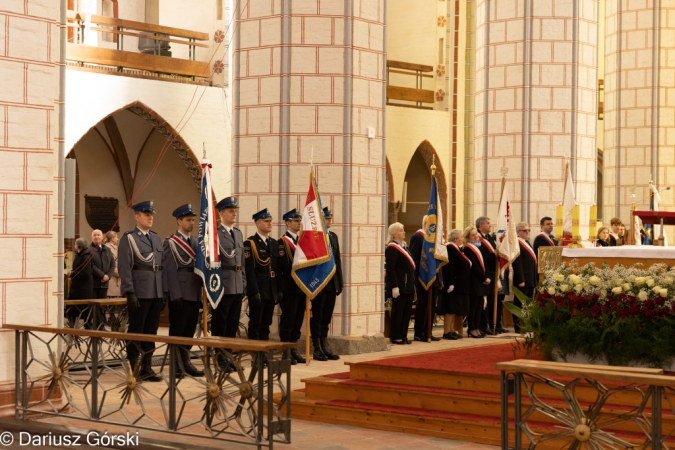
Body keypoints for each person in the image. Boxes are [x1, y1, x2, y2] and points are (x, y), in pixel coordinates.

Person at [118, 200, 164, 382]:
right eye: (146, 214)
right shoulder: (128, 238)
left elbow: (161, 266)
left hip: (155, 290)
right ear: (137, 217)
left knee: (151, 331)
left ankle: (147, 367)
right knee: (136, 330)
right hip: (139, 290)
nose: (150, 217)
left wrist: (163, 292)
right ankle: (132, 367)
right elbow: (124, 267)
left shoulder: (155, 237)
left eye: (151, 214)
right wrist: (129, 292)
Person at [162, 204, 204, 378]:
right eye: (188, 220)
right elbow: (169, 270)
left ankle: (186, 361)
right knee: (178, 330)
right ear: (179, 221)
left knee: (189, 329)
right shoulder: (171, 242)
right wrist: (175, 294)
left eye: (193, 220)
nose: (191, 223)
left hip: (194, 291)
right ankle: (176, 364)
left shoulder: (196, 242)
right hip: (179, 292)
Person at [213, 197, 246, 355]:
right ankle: (220, 355)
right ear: (221, 213)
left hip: (237, 283)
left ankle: (228, 354)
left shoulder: (238, 234)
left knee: (233, 322)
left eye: (235, 211)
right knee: (221, 320)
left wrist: (244, 282)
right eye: (231, 211)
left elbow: (242, 261)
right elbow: (212, 263)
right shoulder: (215, 234)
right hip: (223, 283)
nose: (234, 214)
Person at [243, 208, 282, 344]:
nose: (269, 224)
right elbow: (250, 271)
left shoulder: (274, 243)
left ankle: (264, 353)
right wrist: (253, 291)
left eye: (270, 221)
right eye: (266, 221)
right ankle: (255, 353)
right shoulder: (250, 243)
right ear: (258, 223)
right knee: (256, 323)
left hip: (271, 290)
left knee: (266, 323)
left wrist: (278, 290)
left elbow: (277, 270)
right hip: (259, 289)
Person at [311, 207, 344, 361]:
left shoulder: (334, 237)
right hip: (319, 283)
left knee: (327, 316)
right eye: (326, 218)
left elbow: (337, 261)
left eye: (330, 218)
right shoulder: (315, 237)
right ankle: (317, 347)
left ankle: (325, 344)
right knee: (317, 316)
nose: (329, 221)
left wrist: (340, 281)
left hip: (331, 283)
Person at [278, 208, 307, 364]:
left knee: (298, 319)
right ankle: (285, 351)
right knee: (288, 320)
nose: (298, 223)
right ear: (288, 223)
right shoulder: (282, 243)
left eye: (299, 220)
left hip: (301, 287)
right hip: (289, 287)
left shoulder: (302, 241)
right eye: (295, 221)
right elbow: (283, 266)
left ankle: (294, 348)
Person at [410, 216, 441, 342]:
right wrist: (422, 273)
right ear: (426, 224)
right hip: (423, 277)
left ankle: (428, 330)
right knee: (423, 305)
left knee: (432, 306)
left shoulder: (434, 239)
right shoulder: (417, 237)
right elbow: (415, 257)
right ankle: (419, 332)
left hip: (433, 277)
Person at [385, 222, 415, 345]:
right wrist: (394, 286)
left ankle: (403, 335)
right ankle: (396, 336)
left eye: (403, 230)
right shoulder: (392, 248)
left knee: (407, 312)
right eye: (401, 230)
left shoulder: (404, 247)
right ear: (394, 233)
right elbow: (391, 269)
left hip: (408, 284)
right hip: (399, 285)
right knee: (398, 312)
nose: (404, 232)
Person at [439, 229, 471, 340]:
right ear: (456, 238)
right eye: (461, 237)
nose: (462, 239)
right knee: (450, 308)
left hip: (459, 284)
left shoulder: (456, 249)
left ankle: (452, 330)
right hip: (453, 284)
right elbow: (449, 267)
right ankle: (447, 331)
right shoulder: (450, 248)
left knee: (454, 308)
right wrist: (450, 283)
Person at [462, 227, 490, 338]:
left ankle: (477, 327)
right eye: (473, 235)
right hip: (474, 281)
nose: (476, 237)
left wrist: (488, 276)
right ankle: (472, 328)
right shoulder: (467, 248)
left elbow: (484, 264)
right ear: (468, 237)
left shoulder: (478, 247)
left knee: (479, 306)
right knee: (473, 306)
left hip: (481, 281)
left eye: (476, 234)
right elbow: (474, 266)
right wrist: (483, 278)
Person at [512, 222, 537, 333]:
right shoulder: (517, 243)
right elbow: (517, 263)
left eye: (528, 230)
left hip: (530, 279)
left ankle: (526, 324)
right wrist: (520, 279)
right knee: (520, 304)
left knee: (528, 304)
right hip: (523, 280)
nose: (527, 232)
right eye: (524, 230)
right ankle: (518, 326)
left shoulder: (526, 243)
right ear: (518, 232)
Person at [476, 216, 496, 336]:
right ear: (481, 225)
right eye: (488, 223)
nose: (490, 225)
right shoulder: (477, 238)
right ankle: (481, 326)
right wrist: (494, 255)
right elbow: (480, 256)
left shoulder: (490, 238)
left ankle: (488, 325)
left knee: (490, 301)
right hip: (483, 274)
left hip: (492, 273)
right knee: (483, 302)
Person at [90, 229, 115, 299]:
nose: (96, 237)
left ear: (102, 237)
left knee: (102, 307)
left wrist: (108, 276)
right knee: (93, 306)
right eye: (94, 235)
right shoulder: (88, 250)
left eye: (98, 235)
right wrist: (102, 276)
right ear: (91, 237)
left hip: (104, 284)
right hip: (93, 284)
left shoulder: (107, 250)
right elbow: (91, 265)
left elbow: (112, 264)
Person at [104, 231, 121, 297]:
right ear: (112, 238)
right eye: (116, 237)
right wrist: (119, 273)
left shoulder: (117, 248)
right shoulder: (106, 248)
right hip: (112, 278)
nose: (118, 239)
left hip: (118, 279)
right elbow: (108, 264)